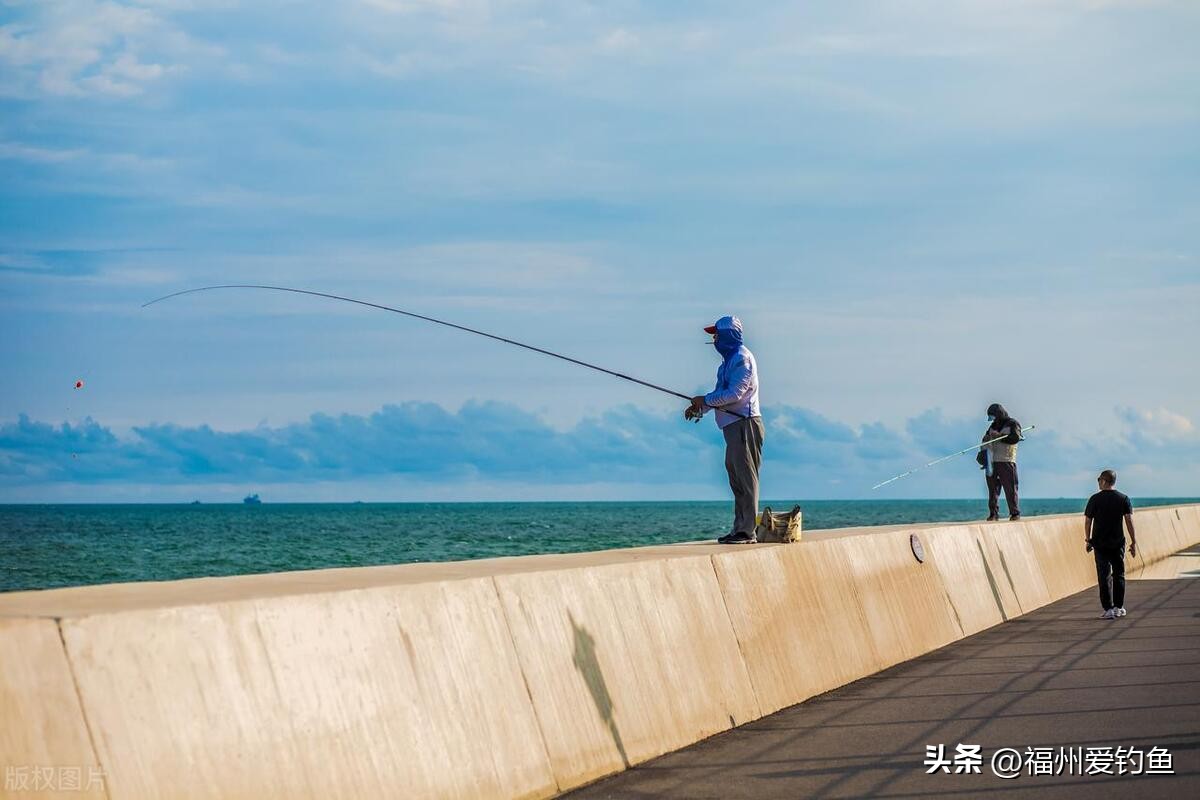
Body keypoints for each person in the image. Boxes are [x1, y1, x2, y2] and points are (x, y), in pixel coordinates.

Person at [686, 315, 764, 544]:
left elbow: (734, 394)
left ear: (729, 335)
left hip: (745, 424)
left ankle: (747, 531)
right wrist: (700, 408)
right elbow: (721, 395)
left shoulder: (742, 358)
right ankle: (740, 528)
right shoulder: (727, 362)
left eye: (717, 334)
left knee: (746, 478)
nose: (714, 339)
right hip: (732, 426)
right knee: (736, 478)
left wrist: (705, 400)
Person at [1084, 469, 1137, 620]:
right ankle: (1119, 607)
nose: (1098, 482)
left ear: (1104, 481)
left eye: (1099, 480)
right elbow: (1129, 520)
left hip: (1100, 544)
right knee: (1119, 574)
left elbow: (1088, 521)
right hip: (1118, 543)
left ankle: (1108, 609)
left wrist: (1088, 540)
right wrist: (1133, 541)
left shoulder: (1094, 499)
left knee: (1104, 576)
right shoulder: (1123, 498)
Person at [981, 403, 1022, 521]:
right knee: (992, 490)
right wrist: (987, 439)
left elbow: (1015, 438)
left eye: (993, 417)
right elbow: (984, 440)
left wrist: (1000, 436)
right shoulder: (992, 426)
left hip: (1006, 460)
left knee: (1010, 488)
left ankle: (1015, 513)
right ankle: (993, 513)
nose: (993, 420)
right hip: (992, 461)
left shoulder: (1013, 424)